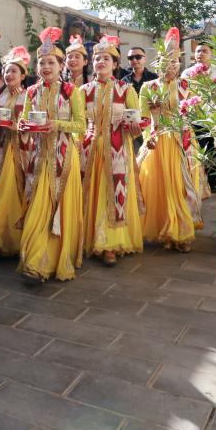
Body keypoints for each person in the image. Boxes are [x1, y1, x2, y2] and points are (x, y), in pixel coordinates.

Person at [17, 39, 86, 281]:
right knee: (38, 207)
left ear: (60, 66)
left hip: (64, 157)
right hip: (39, 157)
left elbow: (81, 125)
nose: (46, 67)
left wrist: (55, 124)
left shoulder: (71, 91)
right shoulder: (31, 92)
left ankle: (54, 259)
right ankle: (36, 260)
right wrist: (23, 126)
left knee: (60, 208)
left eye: (51, 63)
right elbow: (24, 120)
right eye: (42, 63)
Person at [139, 28, 205, 252]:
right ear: (158, 63)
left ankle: (182, 232)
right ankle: (167, 230)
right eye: (167, 61)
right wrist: (148, 137)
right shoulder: (148, 87)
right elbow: (143, 118)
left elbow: (198, 113)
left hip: (183, 141)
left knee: (181, 186)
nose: (172, 65)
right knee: (163, 187)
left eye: (176, 61)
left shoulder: (187, 86)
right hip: (158, 142)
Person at [81, 35, 144, 266]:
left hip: (118, 150)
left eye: (106, 59)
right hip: (89, 150)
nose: (101, 62)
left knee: (113, 194)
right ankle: (86, 238)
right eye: (97, 58)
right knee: (92, 194)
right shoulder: (83, 91)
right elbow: (78, 123)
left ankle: (110, 244)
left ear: (115, 64)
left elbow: (137, 121)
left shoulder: (126, 89)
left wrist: (135, 128)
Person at [0, 47, 30, 256]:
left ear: (23, 75)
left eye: (14, 71)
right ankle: (1, 236)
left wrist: (15, 126)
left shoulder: (29, 96)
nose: (9, 75)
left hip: (20, 149)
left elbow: (33, 124)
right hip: (0, 148)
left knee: (15, 190)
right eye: (6, 71)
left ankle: (14, 238)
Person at [182, 41, 216, 193]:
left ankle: (215, 182)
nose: (200, 54)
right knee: (200, 151)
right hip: (196, 119)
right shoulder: (187, 73)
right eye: (198, 51)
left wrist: (208, 85)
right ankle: (201, 183)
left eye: (204, 51)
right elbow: (184, 94)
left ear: (211, 55)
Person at [119, 46, 158, 154]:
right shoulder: (124, 80)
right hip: (131, 125)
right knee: (134, 155)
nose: (134, 60)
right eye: (131, 58)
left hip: (150, 124)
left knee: (149, 155)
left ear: (145, 58)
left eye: (138, 57)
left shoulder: (154, 78)